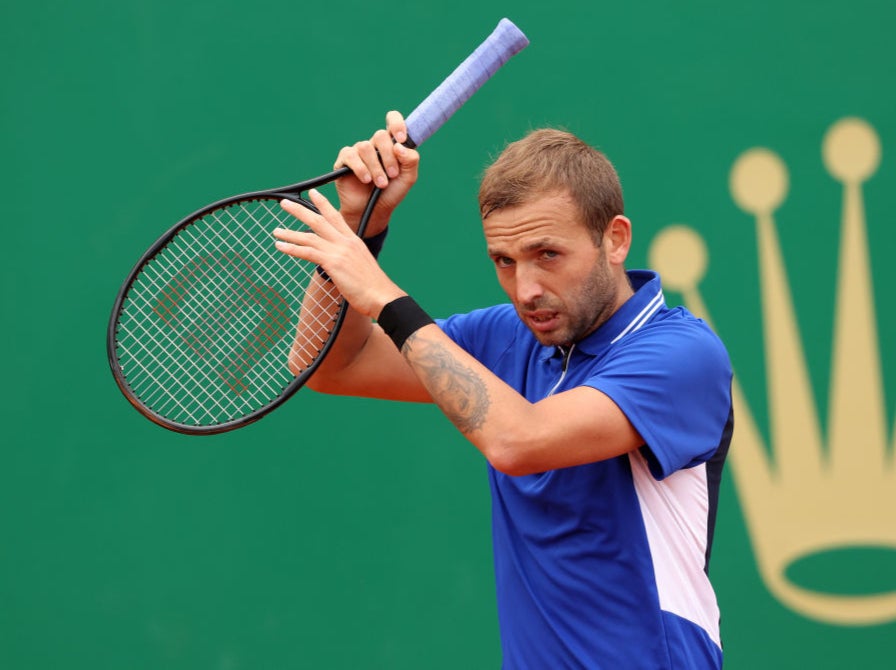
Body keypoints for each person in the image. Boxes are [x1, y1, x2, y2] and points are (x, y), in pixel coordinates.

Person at [273, 112, 733, 669]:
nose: (527, 288)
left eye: (548, 255)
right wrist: (359, 229)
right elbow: (330, 366)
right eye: (504, 261)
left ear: (614, 240)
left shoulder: (682, 355)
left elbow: (518, 441)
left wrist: (386, 300)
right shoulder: (505, 338)